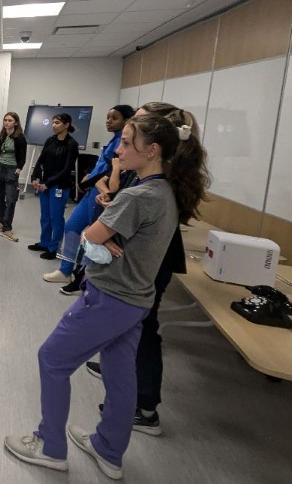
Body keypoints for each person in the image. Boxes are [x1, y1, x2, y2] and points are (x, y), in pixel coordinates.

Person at [5, 113, 209, 479]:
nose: (120, 149)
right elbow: (106, 234)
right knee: (119, 375)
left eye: (128, 143)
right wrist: (105, 229)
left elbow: (89, 236)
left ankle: (50, 445)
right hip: (136, 301)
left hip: (109, 298)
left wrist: (98, 233)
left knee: (52, 359)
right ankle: (108, 449)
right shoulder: (165, 193)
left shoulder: (137, 197)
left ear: (153, 150)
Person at [85, 102, 208, 437]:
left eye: (137, 127)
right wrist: (113, 208)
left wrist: (105, 228)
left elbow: (139, 209)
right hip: (136, 252)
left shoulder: (160, 184)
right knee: (127, 327)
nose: (127, 139)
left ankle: (144, 404)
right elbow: (127, 198)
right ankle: (122, 382)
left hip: (148, 258)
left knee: (143, 324)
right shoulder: (151, 175)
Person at [44, 105, 135, 292]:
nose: (109, 121)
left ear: (127, 121)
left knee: (92, 238)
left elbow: (112, 172)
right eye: (108, 117)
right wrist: (88, 181)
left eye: (114, 118)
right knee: (72, 228)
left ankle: (82, 279)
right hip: (93, 190)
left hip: (101, 192)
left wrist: (87, 182)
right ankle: (65, 270)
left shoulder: (123, 143)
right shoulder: (114, 140)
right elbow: (102, 167)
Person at [27, 113, 79, 260]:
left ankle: (53, 247)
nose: (53, 125)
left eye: (57, 123)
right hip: (45, 184)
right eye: (53, 122)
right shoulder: (50, 140)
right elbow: (40, 160)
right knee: (45, 216)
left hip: (59, 186)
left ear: (66, 125)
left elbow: (67, 169)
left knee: (56, 218)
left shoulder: (71, 144)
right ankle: (44, 242)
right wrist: (35, 177)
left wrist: (47, 184)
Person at [0, 112, 27, 242]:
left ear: (16, 123)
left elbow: (22, 157)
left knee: (11, 200)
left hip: (12, 170)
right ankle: (1, 222)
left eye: (10, 120)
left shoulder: (20, 138)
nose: (7, 122)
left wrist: (18, 169)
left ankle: (7, 229)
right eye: (5, 120)